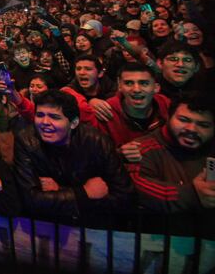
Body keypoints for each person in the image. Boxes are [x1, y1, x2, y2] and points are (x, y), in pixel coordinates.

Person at [13, 90, 134, 222]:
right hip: (51, 226)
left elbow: (125, 197)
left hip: (93, 226)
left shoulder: (96, 141)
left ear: (74, 123)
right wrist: (83, 193)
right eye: (40, 115)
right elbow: (30, 200)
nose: (45, 122)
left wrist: (61, 191)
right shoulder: (26, 141)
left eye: (55, 117)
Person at [130, 93, 215, 214]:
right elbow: (136, 187)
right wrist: (192, 194)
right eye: (183, 120)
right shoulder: (141, 149)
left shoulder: (212, 148)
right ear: (168, 117)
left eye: (203, 125)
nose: (192, 129)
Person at [95, 63, 170, 164]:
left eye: (144, 83)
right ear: (120, 86)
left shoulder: (167, 106)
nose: (136, 89)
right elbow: (96, 157)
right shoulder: (105, 112)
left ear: (156, 87)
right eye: (129, 83)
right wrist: (118, 154)